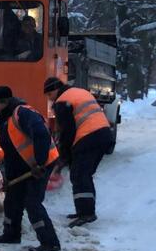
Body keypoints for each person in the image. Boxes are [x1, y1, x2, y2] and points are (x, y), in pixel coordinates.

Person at [0, 85, 61, 251]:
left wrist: (40, 163)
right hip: (25, 166)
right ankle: (11, 234)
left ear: (3, 103)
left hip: (42, 163)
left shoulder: (22, 113)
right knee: (12, 197)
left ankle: (50, 243)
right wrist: (8, 178)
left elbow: (41, 134)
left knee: (32, 201)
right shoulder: (5, 122)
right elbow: (12, 154)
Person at [44, 76, 112, 227]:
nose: (50, 100)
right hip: (104, 134)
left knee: (79, 175)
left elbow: (67, 132)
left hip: (89, 136)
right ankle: (85, 210)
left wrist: (64, 156)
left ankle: (86, 213)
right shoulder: (79, 92)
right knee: (84, 174)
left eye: (49, 95)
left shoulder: (62, 102)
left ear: (54, 90)